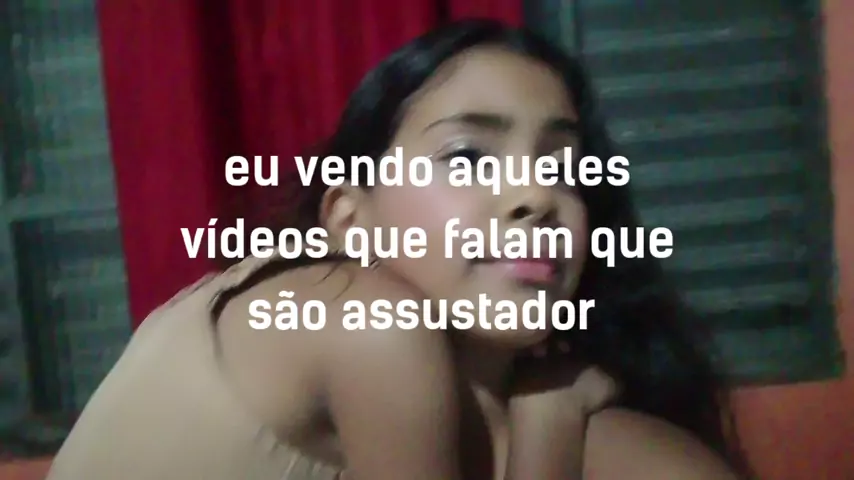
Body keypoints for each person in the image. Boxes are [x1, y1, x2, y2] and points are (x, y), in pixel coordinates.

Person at [46, 19, 746, 480]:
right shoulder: (365, 324)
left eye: (565, 168)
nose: (536, 195)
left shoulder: (519, 409)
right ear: (350, 218)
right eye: (467, 156)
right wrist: (548, 422)